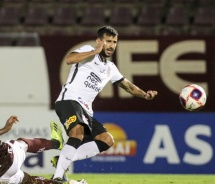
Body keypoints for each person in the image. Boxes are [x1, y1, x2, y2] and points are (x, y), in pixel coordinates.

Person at [51, 26, 158, 181]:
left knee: (107, 140)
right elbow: (69, 59)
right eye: (108, 41)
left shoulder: (110, 68)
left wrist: (145, 95)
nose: (112, 45)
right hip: (69, 100)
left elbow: (128, 86)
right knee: (78, 133)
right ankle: (57, 178)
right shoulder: (88, 50)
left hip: (86, 111)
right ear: (99, 41)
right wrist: (94, 51)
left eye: (114, 42)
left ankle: (62, 159)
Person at [0, 89, 86, 184]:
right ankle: (56, 143)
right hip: (5, 161)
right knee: (22, 143)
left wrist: (5, 129)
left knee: (30, 181)